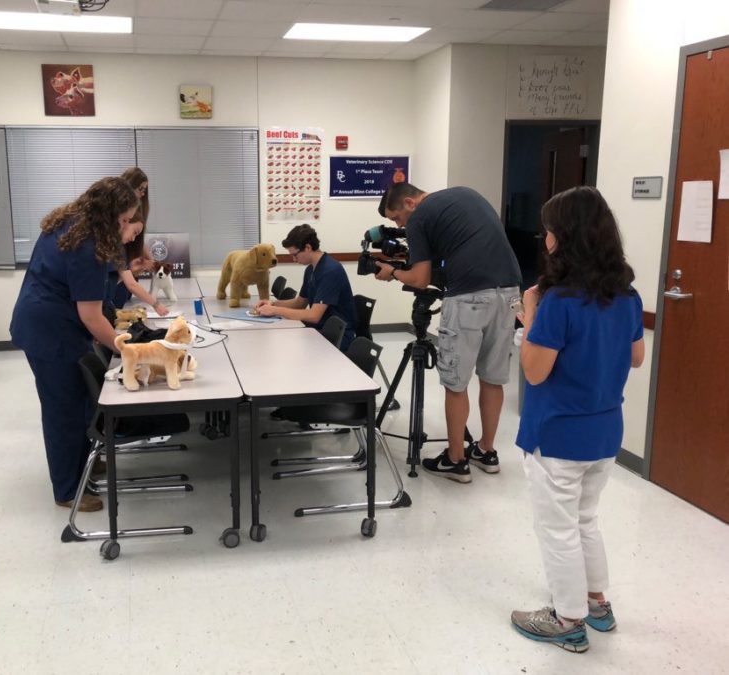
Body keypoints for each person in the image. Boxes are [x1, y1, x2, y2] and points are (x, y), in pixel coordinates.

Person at [510, 186, 644, 652]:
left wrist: (530, 316)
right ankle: (596, 602)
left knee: (558, 527)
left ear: (563, 237)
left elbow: (534, 370)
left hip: (558, 435)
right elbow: (637, 356)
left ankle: (567, 619)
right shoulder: (625, 295)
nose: (544, 239)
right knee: (586, 518)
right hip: (605, 431)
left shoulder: (558, 302)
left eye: (548, 231)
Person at [10, 176, 141, 512]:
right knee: (63, 409)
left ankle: (84, 462)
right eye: (124, 219)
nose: (127, 226)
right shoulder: (88, 246)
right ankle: (68, 490)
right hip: (50, 331)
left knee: (83, 398)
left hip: (51, 321)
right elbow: (91, 316)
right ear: (108, 213)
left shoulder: (71, 223)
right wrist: (125, 349)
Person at [377, 183, 521, 483]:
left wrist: (391, 272)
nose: (400, 226)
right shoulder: (466, 193)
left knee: (456, 383)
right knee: (493, 378)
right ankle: (486, 450)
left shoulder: (419, 217)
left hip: (469, 297)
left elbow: (419, 278)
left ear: (409, 202)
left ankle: (456, 459)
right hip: (509, 294)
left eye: (396, 218)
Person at [255, 224, 357, 351]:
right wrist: (273, 304)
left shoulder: (330, 271)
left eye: (295, 255)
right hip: (321, 327)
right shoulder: (311, 269)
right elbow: (300, 303)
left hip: (337, 335)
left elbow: (314, 316)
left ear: (308, 247)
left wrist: (275, 310)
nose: (293, 259)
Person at [104, 167, 169, 318]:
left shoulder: (120, 247)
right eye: (140, 188)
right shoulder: (111, 243)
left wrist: (134, 268)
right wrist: (157, 305)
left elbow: (125, 280)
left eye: (145, 189)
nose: (143, 193)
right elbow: (131, 284)